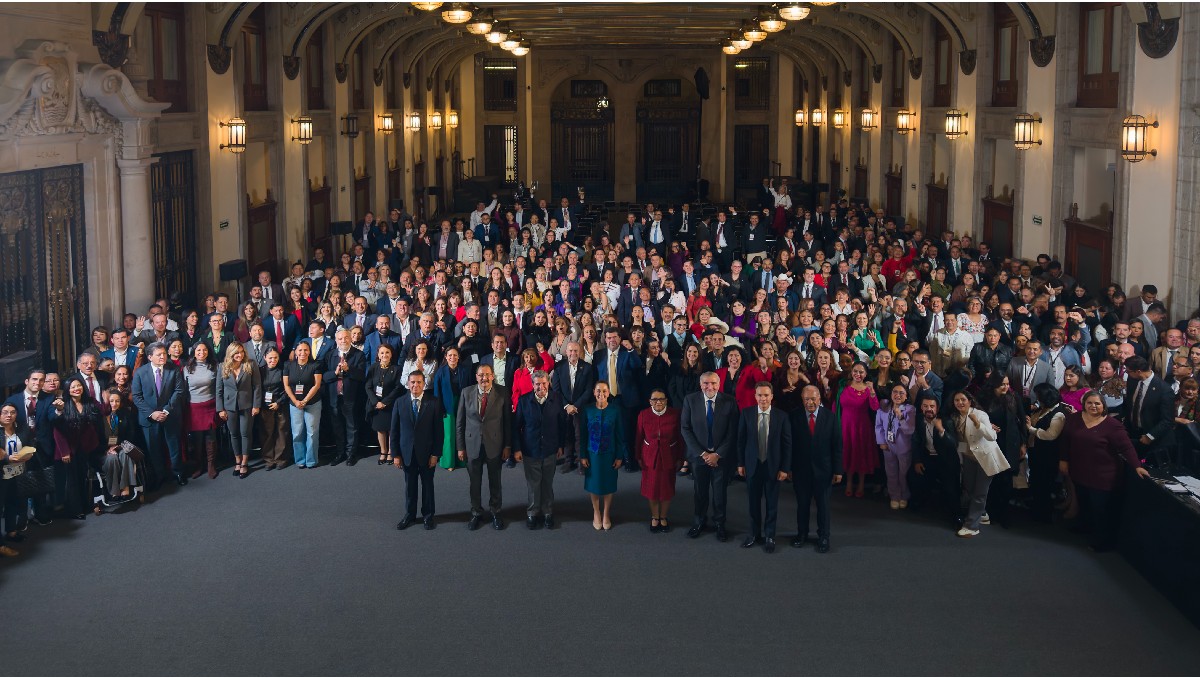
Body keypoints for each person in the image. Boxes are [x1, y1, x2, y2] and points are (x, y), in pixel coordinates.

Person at [1060, 391, 1151, 551]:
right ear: (1084, 404)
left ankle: (1104, 542)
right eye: (1089, 403)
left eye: (1097, 403)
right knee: (1084, 501)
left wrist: (1137, 466)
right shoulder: (1074, 419)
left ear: (1104, 406)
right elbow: (1066, 440)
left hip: (1103, 475)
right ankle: (1085, 527)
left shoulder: (1112, 425)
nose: (1093, 406)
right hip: (1079, 470)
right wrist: (1064, 460)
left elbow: (1126, 447)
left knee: (1100, 509)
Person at [679, 371, 739, 542]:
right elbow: (685, 429)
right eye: (706, 383)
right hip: (699, 457)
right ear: (700, 384)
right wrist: (704, 453)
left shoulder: (729, 401)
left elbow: (733, 432)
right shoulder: (690, 400)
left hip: (721, 457)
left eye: (713, 383)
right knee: (700, 492)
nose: (709, 387)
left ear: (719, 384)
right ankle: (699, 521)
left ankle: (720, 524)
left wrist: (717, 454)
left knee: (720, 494)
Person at [736, 382, 792, 553]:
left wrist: (785, 468)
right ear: (755, 396)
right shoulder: (746, 414)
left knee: (772, 504)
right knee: (753, 503)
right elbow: (740, 441)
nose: (763, 398)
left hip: (773, 467)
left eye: (766, 395)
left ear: (772, 396)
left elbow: (787, 444)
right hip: (752, 466)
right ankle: (753, 534)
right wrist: (740, 463)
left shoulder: (782, 416)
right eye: (760, 395)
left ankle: (769, 536)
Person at [456, 364, 511, 531]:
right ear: (476, 377)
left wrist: (507, 445)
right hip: (472, 444)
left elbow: (507, 422)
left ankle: (496, 511)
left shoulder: (502, 392)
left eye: (487, 375)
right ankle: (476, 513)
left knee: (495, 481)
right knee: (475, 482)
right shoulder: (466, 392)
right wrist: (460, 447)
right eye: (481, 375)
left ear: (492, 376)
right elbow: (460, 422)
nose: (484, 378)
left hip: (495, 444)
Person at [948, 391, 1009, 538]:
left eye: (963, 399)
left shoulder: (980, 414)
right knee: (968, 488)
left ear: (970, 401)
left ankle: (971, 526)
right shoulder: (955, 417)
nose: (960, 403)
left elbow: (992, 436)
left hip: (985, 458)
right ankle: (982, 514)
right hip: (969, 458)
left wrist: (977, 423)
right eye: (957, 400)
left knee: (979, 493)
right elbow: (961, 440)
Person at [513, 370, 567, 529]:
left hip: (551, 449)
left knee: (547, 482)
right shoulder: (523, 401)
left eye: (544, 383)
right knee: (533, 484)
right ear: (532, 385)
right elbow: (516, 427)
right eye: (537, 384)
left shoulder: (557, 399)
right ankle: (532, 513)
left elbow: (562, 424)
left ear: (548, 383)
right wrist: (517, 449)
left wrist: (561, 445)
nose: (541, 387)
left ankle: (548, 512)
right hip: (531, 449)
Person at [391, 372, 445, 530]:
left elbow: (438, 432)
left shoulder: (434, 402)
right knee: (410, 486)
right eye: (412, 382)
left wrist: (436, 454)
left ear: (424, 384)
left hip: (428, 454)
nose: (415, 385)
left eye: (419, 382)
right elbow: (394, 431)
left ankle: (428, 516)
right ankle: (410, 515)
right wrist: (395, 454)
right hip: (407, 453)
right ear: (408, 384)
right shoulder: (399, 402)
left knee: (428, 486)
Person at [131, 343, 187, 487]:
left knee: (174, 447)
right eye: (158, 354)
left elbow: (179, 391)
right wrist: (152, 413)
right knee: (153, 449)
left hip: (171, 415)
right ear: (150, 357)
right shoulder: (140, 372)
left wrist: (166, 410)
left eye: (164, 354)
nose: (163, 357)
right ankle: (159, 476)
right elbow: (137, 397)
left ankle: (178, 473)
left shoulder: (173, 369)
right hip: (149, 418)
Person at [48, 377, 104, 519]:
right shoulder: (63, 404)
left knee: (83, 476)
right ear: (68, 389)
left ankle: (85, 505)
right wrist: (64, 452)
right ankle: (75, 510)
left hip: (84, 448)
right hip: (67, 450)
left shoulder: (89, 401)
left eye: (79, 385)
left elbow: (104, 410)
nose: (76, 389)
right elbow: (57, 431)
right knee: (71, 480)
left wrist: (108, 397)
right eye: (73, 387)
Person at [634, 389, 683, 533]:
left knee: (666, 489)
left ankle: (664, 516)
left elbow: (680, 438)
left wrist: (681, 457)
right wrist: (638, 456)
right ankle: (655, 517)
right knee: (652, 489)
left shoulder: (675, 414)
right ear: (650, 402)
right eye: (654, 400)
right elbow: (638, 438)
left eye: (661, 399)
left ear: (666, 400)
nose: (658, 402)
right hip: (650, 457)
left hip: (669, 456)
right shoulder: (643, 414)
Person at [579, 382, 625, 530]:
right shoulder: (587, 410)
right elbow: (582, 435)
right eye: (598, 390)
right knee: (594, 484)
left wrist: (619, 456)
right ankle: (596, 512)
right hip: (592, 454)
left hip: (609, 454)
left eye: (604, 391)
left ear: (608, 392)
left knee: (608, 484)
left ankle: (606, 513)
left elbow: (620, 435)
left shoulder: (615, 410)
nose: (601, 394)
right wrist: (583, 455)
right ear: (593, 392)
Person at [911, 394, 961, 528]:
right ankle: (918, 503)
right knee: (918, 478)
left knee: (950, 489)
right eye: (926, 406)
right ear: (921, 407)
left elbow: (953, 444)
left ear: (937, 408)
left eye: (932, 406)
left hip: (946, 461)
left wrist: (941, 430)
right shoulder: (919, 420)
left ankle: (957, 516)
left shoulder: (946, 421)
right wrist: (916, 461)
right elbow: (915, 441)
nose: (929, 409)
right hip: (929, 458)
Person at [1025, 383, 1072, 524]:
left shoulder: (1058, 413)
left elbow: (1051, 435)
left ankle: (1044, 515)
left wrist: (1031, 429)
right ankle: (1037, 510)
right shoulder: (1045, 409)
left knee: (1044, 484)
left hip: (1048, 455)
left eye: (1039, 396)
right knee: (1037, 483)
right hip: (1037, 453)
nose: (1037, 399)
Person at [215, 341, 261, 479]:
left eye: (241, 352)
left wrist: (256, 405)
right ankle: (237, 461)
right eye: (236, 353)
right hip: (229, 407)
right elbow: (218, 390)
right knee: (233, 434)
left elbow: (257, 386)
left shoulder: (251, 364)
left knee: (245, 433)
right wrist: (220, 409)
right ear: (231, 354)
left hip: (247, 405)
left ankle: (245, 463)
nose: (239, 355)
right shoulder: (222, 367)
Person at [551, 342, 596, 473]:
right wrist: (566, 405)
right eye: (570, 351)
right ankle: (568, 461)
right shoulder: (559, 367)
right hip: (564, 408)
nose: (573, 353)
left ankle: (582, 461)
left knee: (580, 436)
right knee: (567, 435)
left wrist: (575, 406)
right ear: (566, 352)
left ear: (580, 352)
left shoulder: (587, 367)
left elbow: (588, 390)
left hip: (580, 408)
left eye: (576, 351)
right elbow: (556, 389)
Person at [1123, 356, 1175, 468]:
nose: (1127, 374)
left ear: (1138, 372)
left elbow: (1168, 420)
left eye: (1128, 371)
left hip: (1152, 439)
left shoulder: (1164, 390)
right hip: (1133, 433)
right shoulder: (1132, 380)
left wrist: (1150, 436)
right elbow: (1129, 405)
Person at [324, 329, 367, 466]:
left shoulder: (359, 355)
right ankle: (340, 453)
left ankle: (351, 454)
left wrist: (349, 369)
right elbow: (324, 376)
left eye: (346, 338)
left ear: (350, 339)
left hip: (350, 397)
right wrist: (335, 373)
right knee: (337, 426)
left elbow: (361, 376)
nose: (343, 341)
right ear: (336, 340)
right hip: (334, 396)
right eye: (340, 339)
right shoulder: (330, 355)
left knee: (352, 426)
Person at [839, 361, 880, 498]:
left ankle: (861, 484)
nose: (858, 374)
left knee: (860, 454)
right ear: (851, 372)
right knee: (848, 453)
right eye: (855, 371)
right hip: (846, 425)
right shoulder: (844, 385)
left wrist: (873, 392)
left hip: (862, 426)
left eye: (861, 372)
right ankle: (849, 483)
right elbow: (836, 405)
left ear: (866, 374)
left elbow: (875, 408)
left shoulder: (868, 388)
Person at [875, 384, 917, 509]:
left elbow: (909, 430)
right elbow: (878, 426)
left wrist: (901, 417)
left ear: (906, 396)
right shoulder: (884, 407)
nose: (897, 395)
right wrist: (881, 441)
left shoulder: (910, 409)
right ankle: (894, 495)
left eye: (901, 393)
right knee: (891, 472)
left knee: (903, 473)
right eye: (895, 392)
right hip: (887, 445)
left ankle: (904, 495)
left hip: (903, 447)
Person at [283, 341, 323, 469]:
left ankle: (311, 460)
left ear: (309, 352)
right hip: (295, 404)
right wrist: (295, 401)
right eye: (300, 350)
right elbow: (286, 385)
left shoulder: (315, 365)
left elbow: (316, 385)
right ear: (295, 352)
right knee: (297, 432)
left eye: (306, 350)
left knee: (312, 432)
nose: (302, 353)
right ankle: (300, 459)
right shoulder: (288, 365)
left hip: (312, 403)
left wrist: (305, 400)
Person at [432, 346, 473, 471]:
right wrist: (439, 409)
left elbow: (470, 388)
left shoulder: (465, 370)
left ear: (459, 357)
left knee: (461, 432)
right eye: (450, 355)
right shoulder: (440, 371)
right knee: (449, 435)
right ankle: (448, 462)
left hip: (462, 404)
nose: (452, 358)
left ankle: (461, 461)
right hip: (446, 405)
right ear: (446, 357)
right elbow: (437, 392)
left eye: (455, 355)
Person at [365, 344, 404, 465]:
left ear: (391, 354)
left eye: (387, 352)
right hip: (376, 404)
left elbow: (398, 388)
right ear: (378, 355)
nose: (384, 355)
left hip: (391, 404)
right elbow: (368, 386)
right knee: (380, 429)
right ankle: (383, 451)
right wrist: (376, 402)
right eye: (382, 353)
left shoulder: (397, 369)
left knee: (392, 429)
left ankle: (392, 452)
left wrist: (385, 402)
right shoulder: (373, 367)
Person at [258, 348, 289, 470]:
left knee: (282, 431)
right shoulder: (260, 371)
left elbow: (287, 388)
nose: (273, 360)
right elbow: (257, 388)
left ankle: (280, 458)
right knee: (267, 432)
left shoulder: (283, 370)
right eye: (270, 358)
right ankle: (268, 459)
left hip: (280, 402)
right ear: (265, 358)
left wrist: (279, 402)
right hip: (265, 404)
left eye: (275, 357)